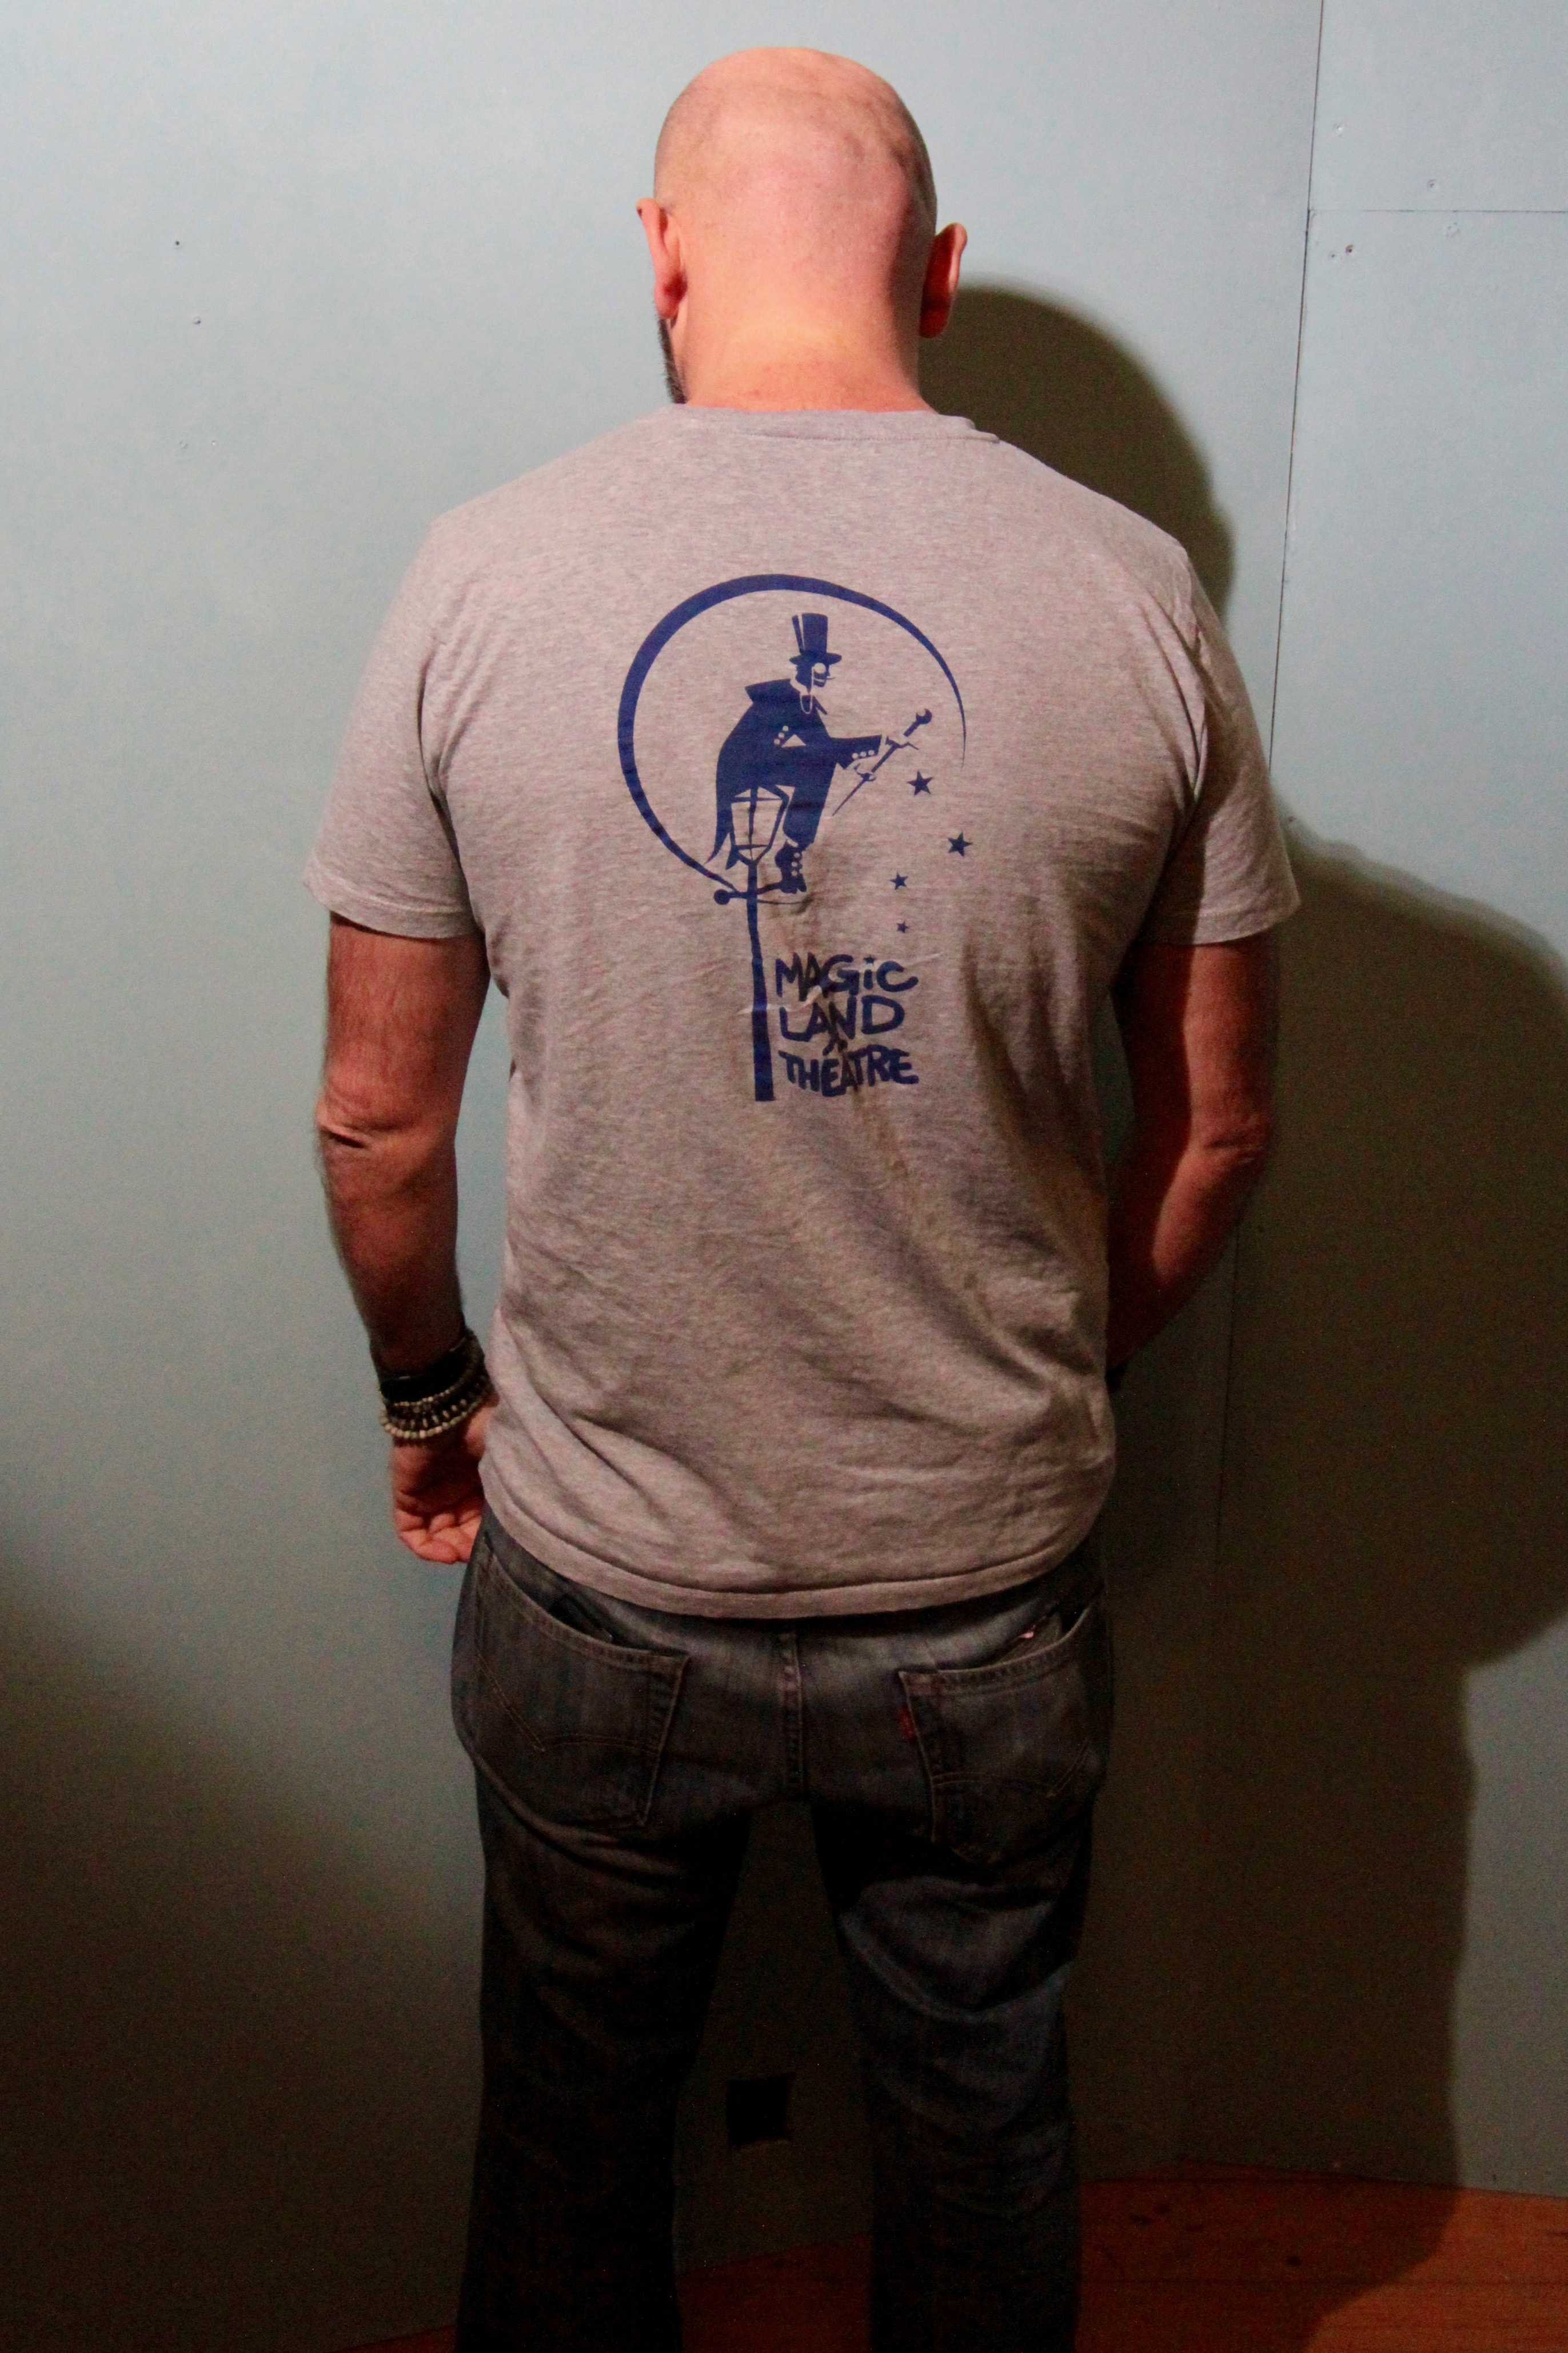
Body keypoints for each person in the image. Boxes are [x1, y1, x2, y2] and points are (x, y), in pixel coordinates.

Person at [307, 45, 1296, 2353]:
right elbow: (1220, 1128)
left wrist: (432, 1402)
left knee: (570, 2138)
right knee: (979, 2123)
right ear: (931, 276)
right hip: (982, 1581)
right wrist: (1028, 1360)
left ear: (660, 258)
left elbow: (375, 1122)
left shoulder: (481, 579)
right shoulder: (1135, 594)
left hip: (601, 1571)